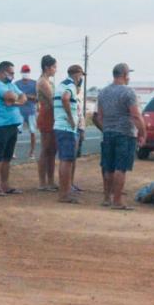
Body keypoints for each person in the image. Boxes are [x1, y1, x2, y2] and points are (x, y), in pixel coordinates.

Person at [98, 63, 146, 210]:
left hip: (108, 132)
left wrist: (107, 128)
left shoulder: (103, 92)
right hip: (125, 133)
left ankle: (107, 198)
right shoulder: (128, 92)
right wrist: (142, 132)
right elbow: (135, 115)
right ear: (125, 75)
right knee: (121, 167)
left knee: (108, 166)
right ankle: (117, 200)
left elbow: (99, 116)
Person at [0, 61, 27, 196]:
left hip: (12, 125)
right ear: (2, 72)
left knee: (7, 158)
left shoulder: (10, 85)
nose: (13, 75)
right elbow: (10, 96)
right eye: (11, 73)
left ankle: (5, 185)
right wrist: (15, 99)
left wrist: (15, 101)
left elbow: (23, 97)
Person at [53, 65, 84, 204]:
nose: (81, 78)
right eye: (81, 75)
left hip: (61, 127)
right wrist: (71, 119)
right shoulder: (70, 85)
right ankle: (64, 194)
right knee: (67, 161)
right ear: (77, 74)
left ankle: (65, 191)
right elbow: (66, 98)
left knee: (65, 160)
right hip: (66, 127)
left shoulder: (61, 84)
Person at [36, 55, 58, 192]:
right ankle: (42, 182)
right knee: (45, 149)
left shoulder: (49, 81)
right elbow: (53, 99)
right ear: (47, 67)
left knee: (52, 150)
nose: (55, 70)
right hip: (46, 115)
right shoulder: (43, 82)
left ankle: (50, 180)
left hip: (52, 116)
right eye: (54, 67)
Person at [15, 64, 38, 159]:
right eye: (24, 72)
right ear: (21, 73)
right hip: (19, 111)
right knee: (15, 132)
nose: (26, 73)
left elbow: (37, 98)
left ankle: (32, 152)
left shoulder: (34, 83)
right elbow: (14, 96)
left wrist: (26, 96)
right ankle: (12, 152)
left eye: (27, 72)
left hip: (31, 111)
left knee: (32, 132)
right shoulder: (17, 84)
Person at [71, 82, 86, 193]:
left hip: (79, 129)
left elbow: (81, 116)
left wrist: (82, 130)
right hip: (73, 130)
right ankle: (68, 184)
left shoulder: (78, 98)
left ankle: (70, 183)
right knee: (70, 159)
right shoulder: (71, 98)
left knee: (74, 158)